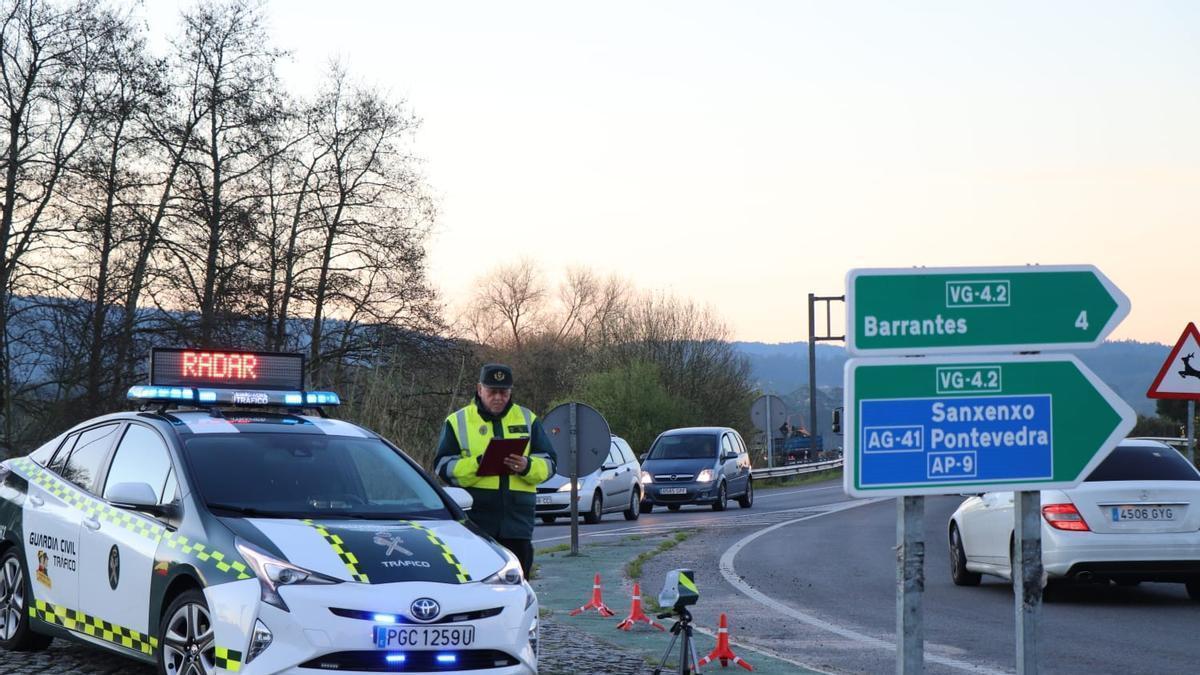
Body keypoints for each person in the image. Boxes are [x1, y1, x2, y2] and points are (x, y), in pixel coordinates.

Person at [434, 363, 557, 578]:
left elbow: (550, 464)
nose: (498, 397)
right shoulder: (457, 421)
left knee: (518, 581)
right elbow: (443, 467)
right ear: (479, 389)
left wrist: (526, 466)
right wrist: (479, 464)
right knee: (478, 581)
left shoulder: (528, 419)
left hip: (517, 521)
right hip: (474, 521)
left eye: (504, 392)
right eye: (492, 392)